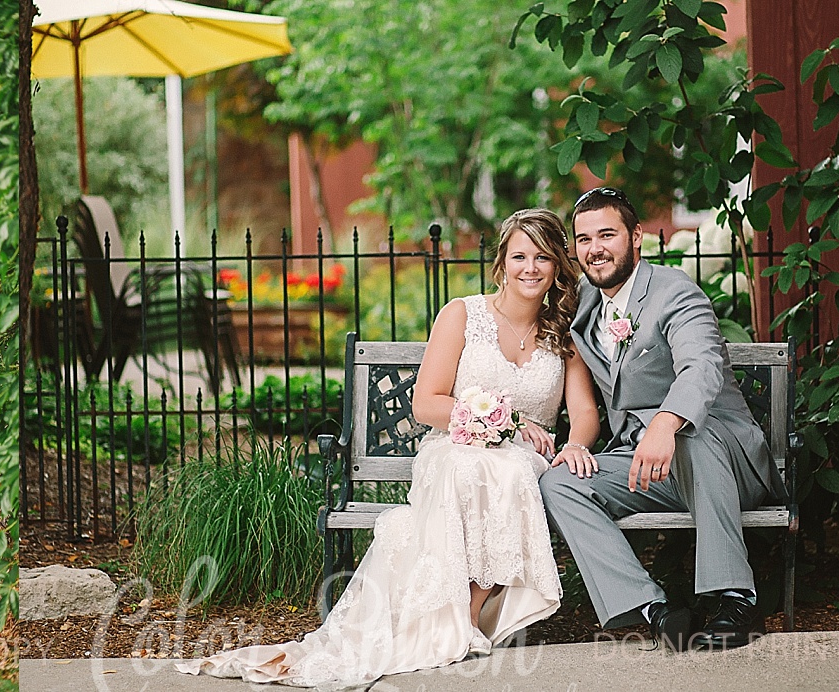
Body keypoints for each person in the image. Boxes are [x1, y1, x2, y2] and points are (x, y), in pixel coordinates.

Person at [177, 208, 601, 688]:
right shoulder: (463, 314)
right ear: (501, 262)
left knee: (509, 471)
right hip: (456, 445)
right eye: (520, 255)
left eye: (543, 257)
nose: (531, 267)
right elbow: (426, 403)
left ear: (557, 266)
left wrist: (574, 447)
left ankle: (469, 612)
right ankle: (454, 614)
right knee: (476, 469)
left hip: (526, 458)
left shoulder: (564, 331)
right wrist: (503, 422)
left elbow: (584, 412)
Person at [539, 187, 788, 652]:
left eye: (607, 234)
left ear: (636, 237)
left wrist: (665, 422)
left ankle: (736, 599)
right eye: (584, 239)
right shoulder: (585, 307)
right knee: (560, 483)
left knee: (693, 434)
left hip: (720, 460)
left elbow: (701, 365)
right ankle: (655, 609)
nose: (595, 249)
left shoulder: (675, 292)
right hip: (644, 466)